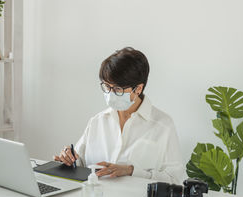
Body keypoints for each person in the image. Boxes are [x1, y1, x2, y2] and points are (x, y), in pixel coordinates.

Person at [54, 47, 183, 184]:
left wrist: (131, 171)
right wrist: (68, 158)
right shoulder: (97, 121)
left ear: (138, 89)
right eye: (107, 87)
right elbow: (80, 162)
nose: (110, 94)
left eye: (117, 89)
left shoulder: (163, 125)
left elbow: (175, 180)